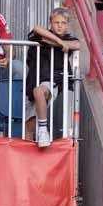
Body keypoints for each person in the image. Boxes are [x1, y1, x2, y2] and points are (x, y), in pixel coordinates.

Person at [25, 8, 80, 147]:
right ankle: (27, 159)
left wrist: (54, 42)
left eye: (63, 22)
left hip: (52, 80)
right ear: (50, 23)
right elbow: (37, 29)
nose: (60, 25)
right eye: (56, 22)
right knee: (29, 125)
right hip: (32, 80)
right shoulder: (42, 35)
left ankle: (43, 130)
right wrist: (60, 43)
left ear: (67, 25)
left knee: (39, 91)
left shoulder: (70, 38)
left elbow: (76, 45)